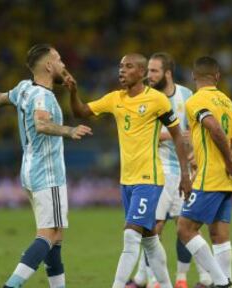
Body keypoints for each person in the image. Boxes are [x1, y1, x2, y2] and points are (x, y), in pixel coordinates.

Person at [0, 43, 92, 288]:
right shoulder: (43, 96)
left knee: (55, 237)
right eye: (59, 59)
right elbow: (41, 124)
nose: (64, 64)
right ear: (48, 65)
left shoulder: (25, 88)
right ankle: (11, 285)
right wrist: (70, 130)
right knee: (49, 235)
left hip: (30, 170)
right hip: (47, 174)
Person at [66, 53, 191, 288]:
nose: (121, 70)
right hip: (127, 180)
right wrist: (73, 92)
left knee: (131, 234)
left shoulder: (157, 100)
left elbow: (177, 136)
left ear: (142, 73)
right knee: (150, 238)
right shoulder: (115, 98)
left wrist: (185, 175)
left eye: (128, 66)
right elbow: (80, 112)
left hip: (150, 178)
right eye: (120, 66)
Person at [128, 52, 213, 288]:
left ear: (167, 73)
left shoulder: (187, 96)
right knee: (153, 227)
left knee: (186, 225)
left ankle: (200, 278)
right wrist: (174, 134)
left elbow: (198, 131)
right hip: (159, 170)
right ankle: (153, 279)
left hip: (185, 170)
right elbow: (141, 136)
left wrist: (194, 153)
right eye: (148, 71)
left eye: (154, 71)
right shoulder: (146, 98)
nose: (149, 75)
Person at [176, 56, 232, 288]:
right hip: (226, 177)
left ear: (194, 76)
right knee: (219, 235)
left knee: (185, 228)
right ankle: (225, 282)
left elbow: (213, 127)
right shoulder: (227, 101)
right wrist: (231, 162)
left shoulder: (196, 100)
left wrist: (225, 160)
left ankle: (223, 283)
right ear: (217, 77)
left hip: (211, 176)